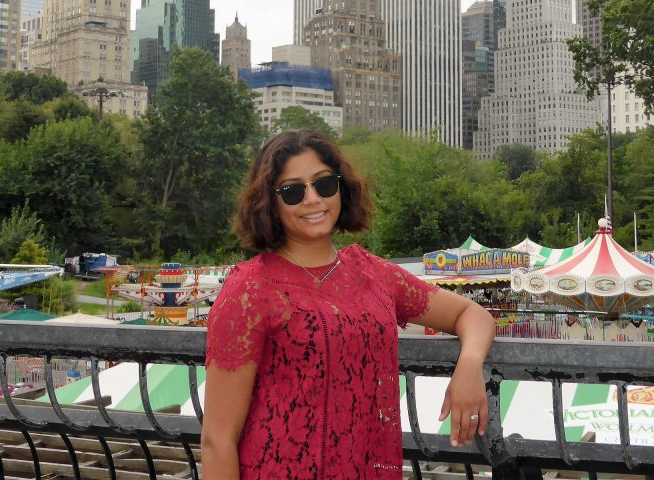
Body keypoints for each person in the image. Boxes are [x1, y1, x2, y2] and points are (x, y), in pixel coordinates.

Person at [201, 130, 495, 479]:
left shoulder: (372, 274)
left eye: (324, 184)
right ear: (270, 203)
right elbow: (217, 439)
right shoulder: (250, 289)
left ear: (341, 189)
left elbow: (471, 313)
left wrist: (469, 367)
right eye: (293, 191)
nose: (312, 199)